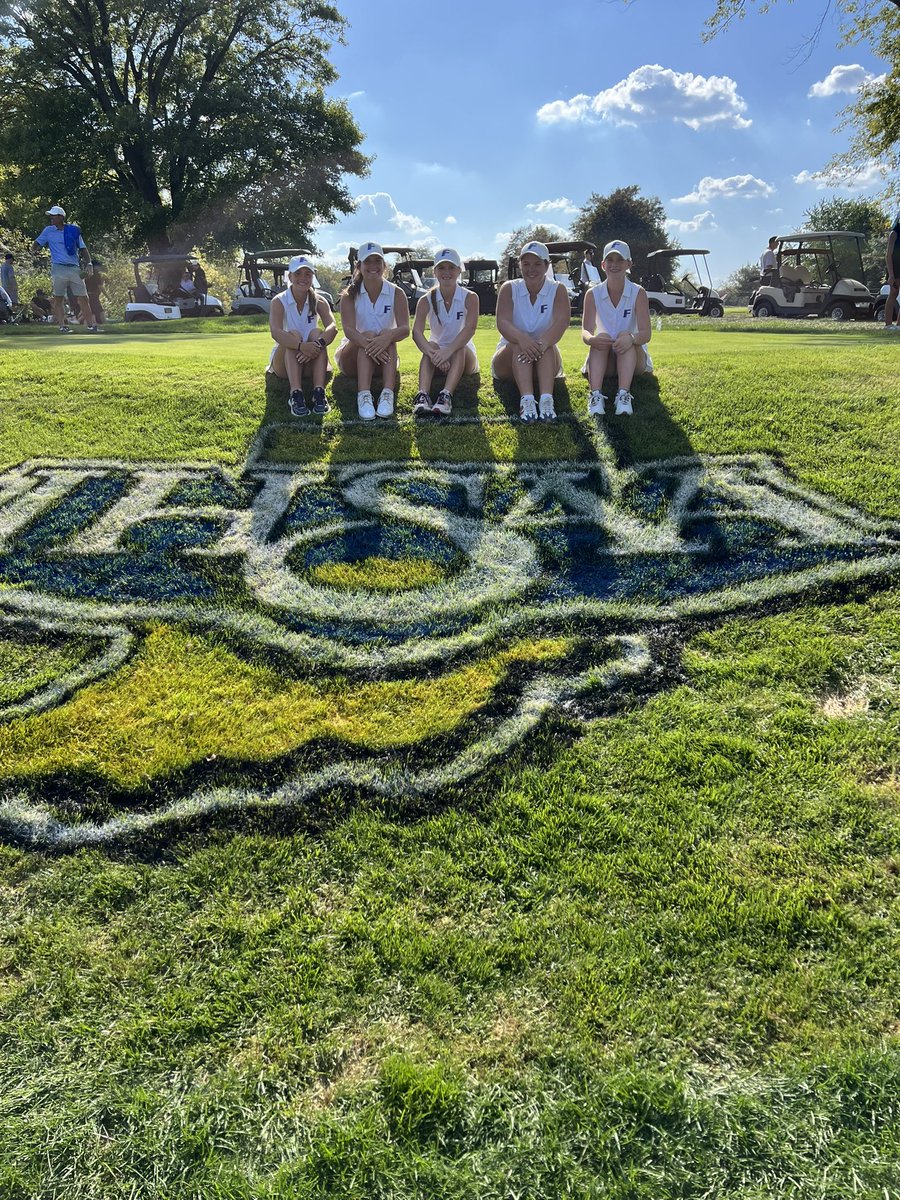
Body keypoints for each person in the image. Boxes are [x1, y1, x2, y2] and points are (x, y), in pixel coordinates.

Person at [491, 240, 571, 422]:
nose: (531, 269)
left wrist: (539, 345)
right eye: (526, 264)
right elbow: (502, 322)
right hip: (509, 360)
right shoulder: (509, 288)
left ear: (546, 265)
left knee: (548, 346)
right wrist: (522, 339)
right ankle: (527, 401)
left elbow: (561, 322)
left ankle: (546, 401)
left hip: (546, 357)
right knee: (518, 344)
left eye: (537, 264)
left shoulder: (558, 289)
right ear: (520, 265)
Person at [335, 241, 410, 420]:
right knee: (368, 335)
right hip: (351, 358)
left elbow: (405, 328)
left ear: (384, 265)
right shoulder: (348, 296)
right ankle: (364, 395)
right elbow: (349, 331)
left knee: (387, 334)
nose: (373, 266)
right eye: (367, 261)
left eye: (377, 261)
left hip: (384, 358)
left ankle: (387, 394)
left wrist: (387, 338)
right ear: (359, 266)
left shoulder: (397, 293)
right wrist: (372, 344)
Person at [581, 239, 653, 417]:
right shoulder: (592, 294)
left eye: (620, 260)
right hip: (604, 357)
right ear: (603, 265)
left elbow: (646, 334)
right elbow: (586, 331)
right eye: (610, 260)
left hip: (633, 359)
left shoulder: (638, 292)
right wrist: (592, 339)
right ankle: (595, 396)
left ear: (629, 263)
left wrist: (631, 338)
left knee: (624, 335)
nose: (614, 265)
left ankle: (623, 395)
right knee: (601, 338)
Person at [411, 247, 479, 417]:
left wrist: (448, 351)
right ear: (435, 271)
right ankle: (423, 396)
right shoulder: (425, 300)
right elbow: (417, 332)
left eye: (451, 267)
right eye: (441, 268)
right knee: (431, 344)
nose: (446, 272)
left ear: (459, 270)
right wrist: (434, 354)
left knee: (459, 347)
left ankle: (446, 395)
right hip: (437, 355)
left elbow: (470, 329)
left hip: (463, 355)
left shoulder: (470, 297)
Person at [268, 253, 337, 416]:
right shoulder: (279, 301)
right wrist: (300, 346)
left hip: (311, 359)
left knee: (317, 333)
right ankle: (296, 394)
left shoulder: (319, 300)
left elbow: (333, 326)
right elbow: (276, 332)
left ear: (312, 276)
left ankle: (319, 393)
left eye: (308, 274)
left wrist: (316, 346)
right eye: (298, 273)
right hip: (284, 364)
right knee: (293, 334)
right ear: (290, 276)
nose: (303, 278)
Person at [32, 205, 98, 332]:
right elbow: (37, 243)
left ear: (61, 217)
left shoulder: (73, 231)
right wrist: (34, 250)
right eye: (50, 215)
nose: (51, 218)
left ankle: (91, 325)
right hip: (58, 268)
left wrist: (89, 263)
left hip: (74, 268)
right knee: (58, 298)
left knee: (83, 298)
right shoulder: (48, 231)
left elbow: (83, 248)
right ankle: (62, 326)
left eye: (53, 215)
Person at [883, 207, 900, 331]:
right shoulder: (894, 234)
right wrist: (891, 274)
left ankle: (899, 325)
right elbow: (888, 255)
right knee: (894, 293)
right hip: (895, 268)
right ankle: (888, 325)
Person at [85, 258, 107, 325]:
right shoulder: (96, 273)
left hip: (87, 295)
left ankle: (88, 324)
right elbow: (100, 286)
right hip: (94, 295)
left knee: (90, 311)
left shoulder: (86, 273)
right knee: (100, 311)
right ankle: (106, 325)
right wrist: (107, 296)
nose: (100, 267)